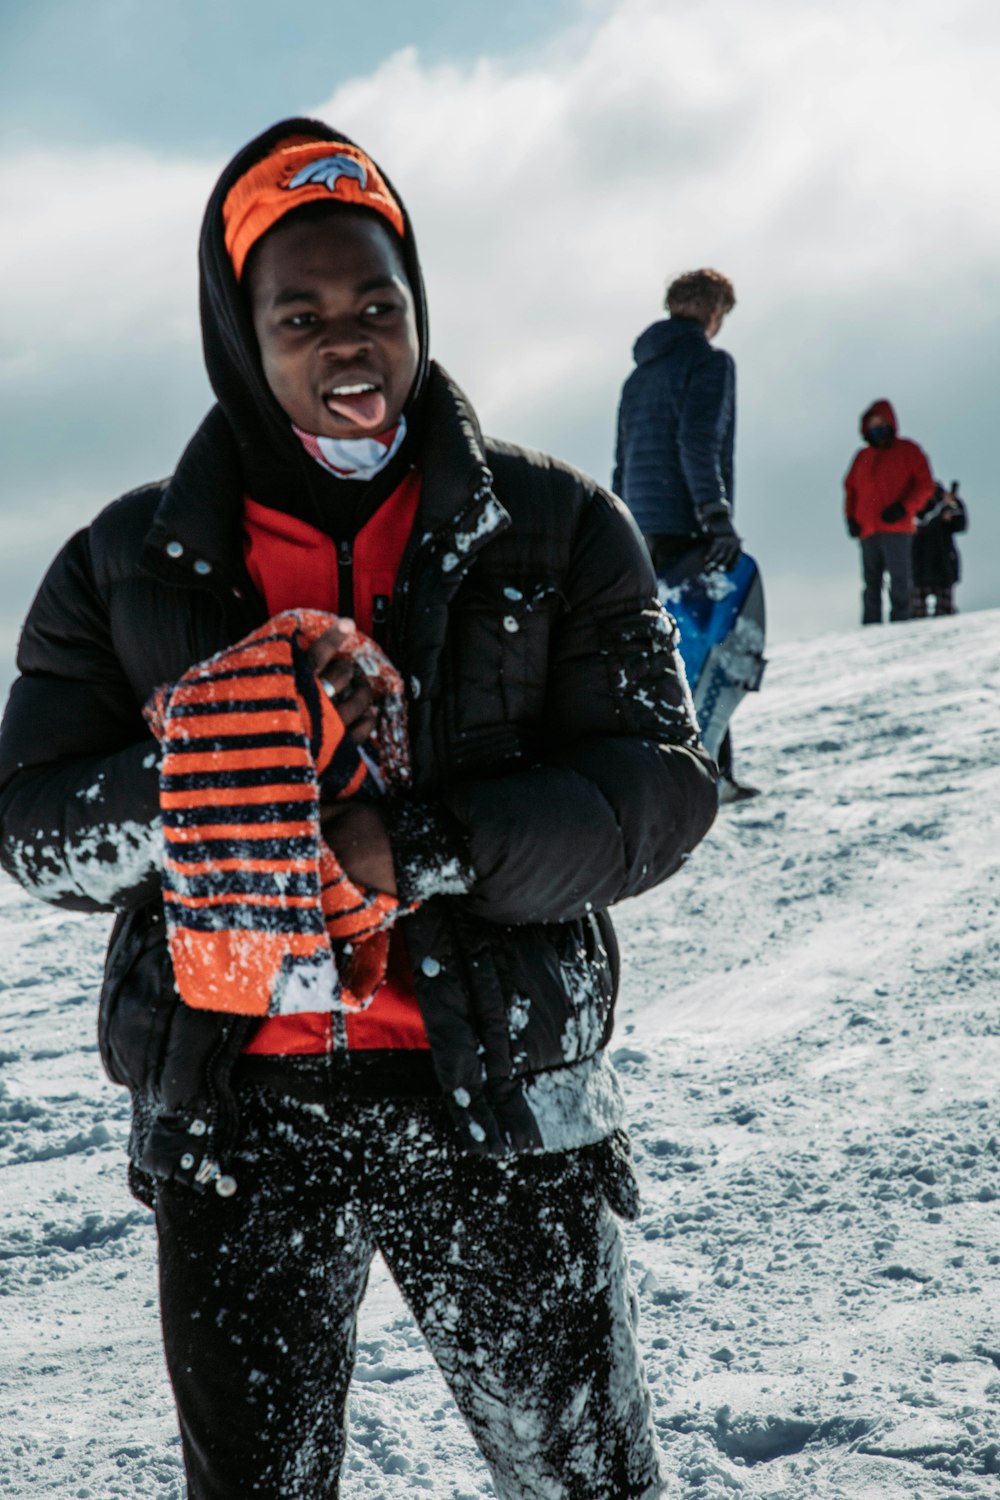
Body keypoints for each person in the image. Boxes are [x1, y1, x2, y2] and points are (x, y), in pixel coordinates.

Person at [0, 119, 719, 1499]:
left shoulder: (558, 526)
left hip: (499, 1102)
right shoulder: (126, 562)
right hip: (237, 1116)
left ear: (419, 311)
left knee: (583, 1483)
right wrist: (207, 780)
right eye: (301, 313)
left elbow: (659, 791)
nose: (348, 343)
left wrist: (426, 844)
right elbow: (32, 821)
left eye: (376, 304)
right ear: (239, 335)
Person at [613, 268, 761, 802]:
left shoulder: (638, 376)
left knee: (663, 649)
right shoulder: (709, 362)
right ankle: (712, 775)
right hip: (689, 524)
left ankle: (669, 770)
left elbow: (621, 460)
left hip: (641, 530)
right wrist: (715, 515)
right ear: (713, 309)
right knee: (708, 646)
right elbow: (698, 441)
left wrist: (619, 528)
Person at [843, 399, 936, 625]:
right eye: (872, 424)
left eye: (880, 422)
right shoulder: (862, 458)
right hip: (867, 529)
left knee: (900, 580)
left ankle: (902, 625)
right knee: (870, 583)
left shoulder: (908, 451)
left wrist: (905, 508)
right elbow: (850, 489)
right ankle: (871, 626)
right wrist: (851, 519)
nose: (876, 427)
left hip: (897, 528)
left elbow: (925, 485)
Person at [912, 480, 968, 617]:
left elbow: (960, 523)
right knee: (916, 615)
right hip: (918, 567)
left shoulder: (945, 502)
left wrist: (953, 503)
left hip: (942, 565)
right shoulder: (911, 501)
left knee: (944, 614)